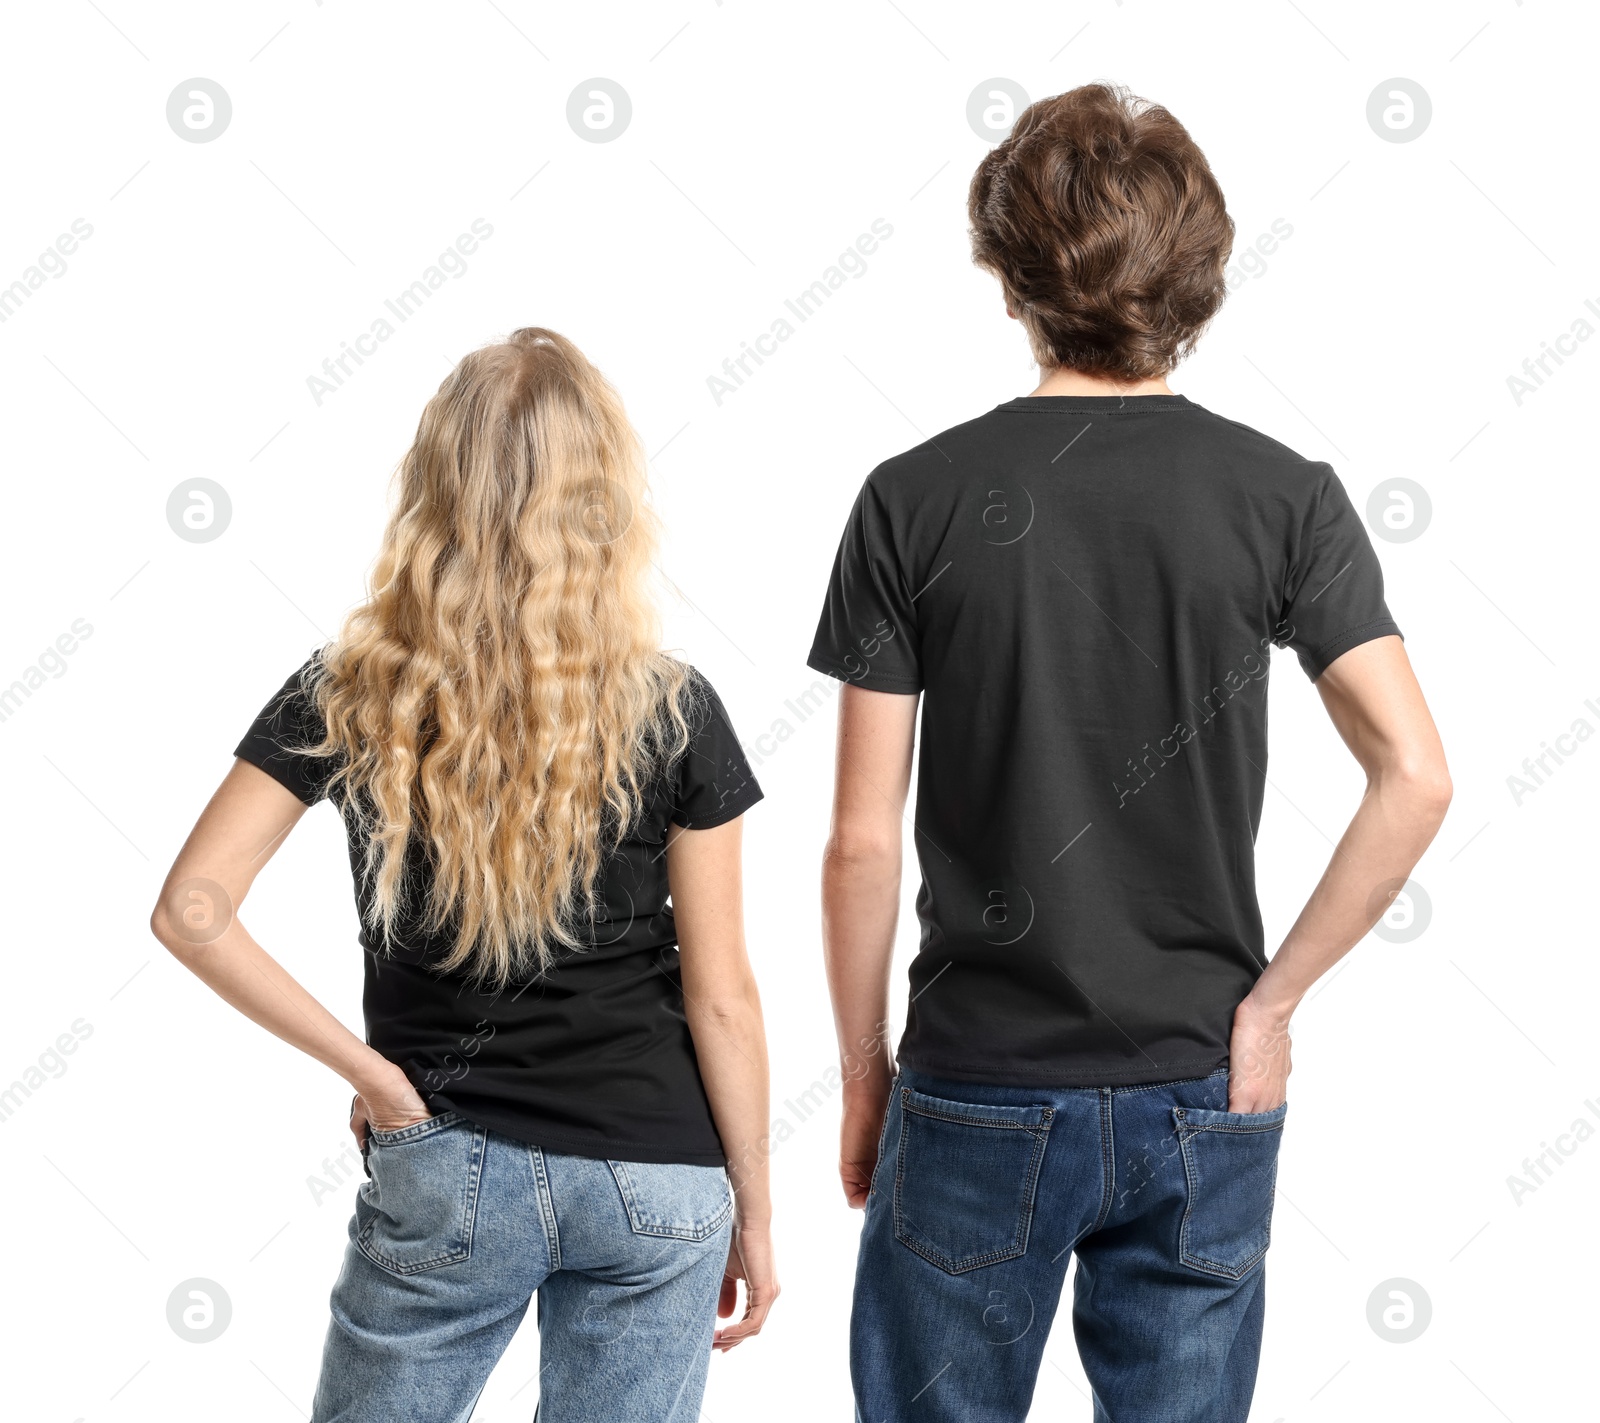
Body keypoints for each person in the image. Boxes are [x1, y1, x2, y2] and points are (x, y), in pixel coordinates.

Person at [808, 85, 1451, 1422]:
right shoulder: (1287, 499)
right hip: (1202, 1089)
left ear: (1007, 275)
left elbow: (863, 837)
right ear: (1199, 279)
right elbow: (1417, 772)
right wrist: (1270, 1007)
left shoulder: (910, 500)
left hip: (976, 1082)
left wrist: (865, 1076)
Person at [151, 328, 776, 1422]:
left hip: (448, 1166)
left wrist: (384, 1083)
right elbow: (722, 993)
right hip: (657, 1180)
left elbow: (192, 909)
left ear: (434, 485)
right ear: (604, 499)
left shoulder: (352, 692)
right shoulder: (675, 708)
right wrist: (755, 1212)